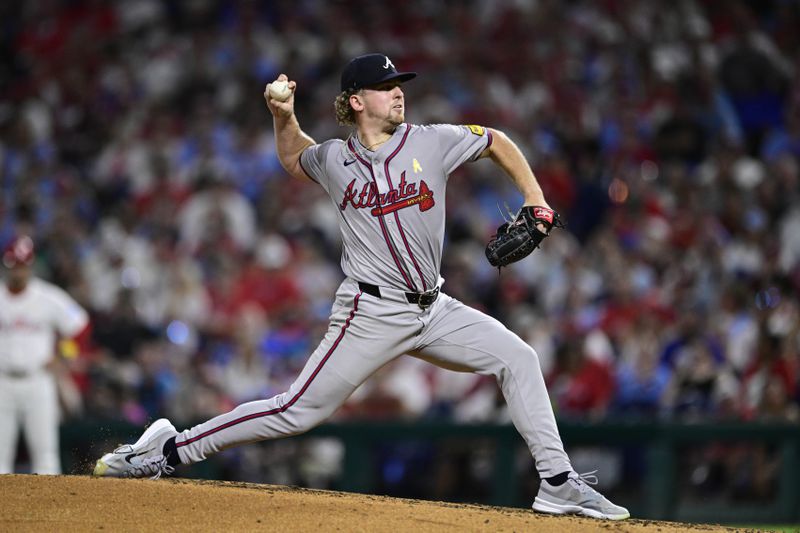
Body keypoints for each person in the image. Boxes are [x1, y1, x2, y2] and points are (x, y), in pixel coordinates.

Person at [93, 54, 629, 520]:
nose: (399, 92)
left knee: (519, 357)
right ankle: (168, 449)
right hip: (369, 313)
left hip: (434, 307)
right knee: (295, 410)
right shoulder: (335, 160)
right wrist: (283, 116)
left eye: (400, 84)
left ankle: (558, 483)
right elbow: (292, 156)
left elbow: (496, 141)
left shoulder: (432, 141)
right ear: (355, 101)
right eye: (386, 86)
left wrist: (536, 200)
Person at [0, 235, 89, 474]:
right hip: (2, 382)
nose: (17, 271)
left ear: (29, 266)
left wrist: (63, 355)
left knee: (46, 455)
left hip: (38, 381)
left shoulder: (48, 297)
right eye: (12, 265)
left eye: (21, 265)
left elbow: (80, 326)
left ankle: (52, 511)